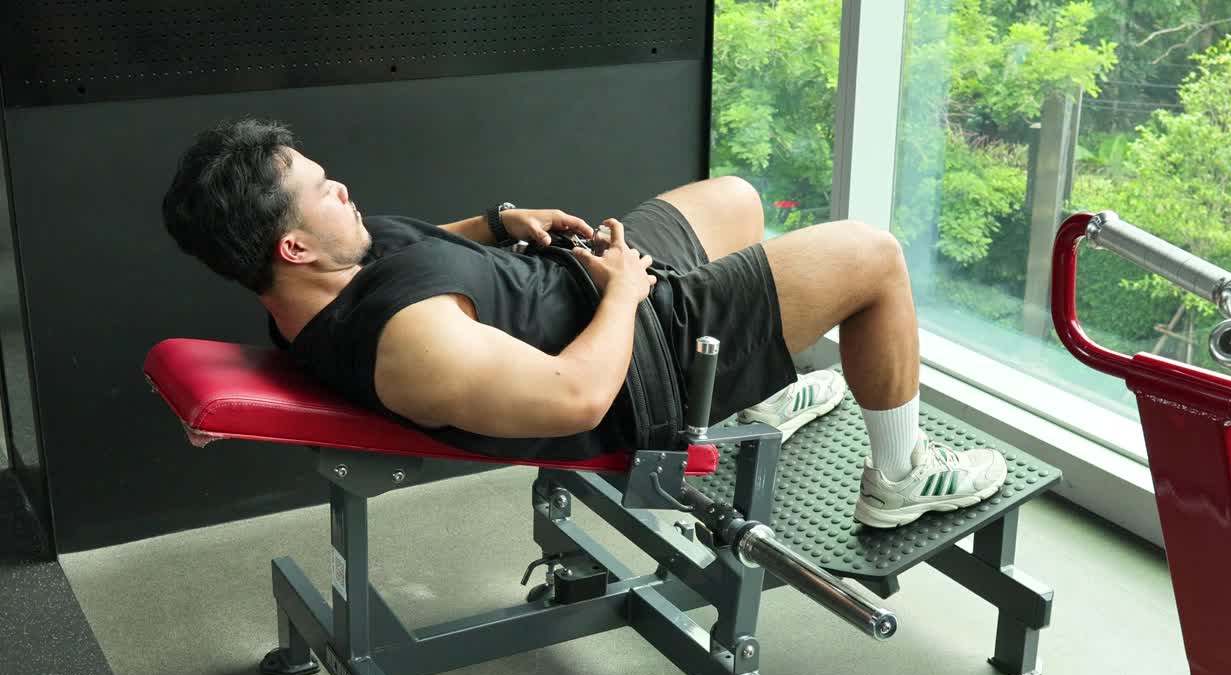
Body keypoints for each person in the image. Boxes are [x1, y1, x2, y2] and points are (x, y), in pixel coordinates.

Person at [161, 117, 1006, 529]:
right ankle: (898, 479)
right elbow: (575, 399)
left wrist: (499, 224)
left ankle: (757, 395)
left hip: (593, 284)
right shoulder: (410, 345)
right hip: (644, 357)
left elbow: (418, 252)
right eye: (325, 188)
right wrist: (624, 294)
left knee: (737, 198)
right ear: (296, 243)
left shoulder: (316, 274)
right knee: (873, 256)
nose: (345, 188)